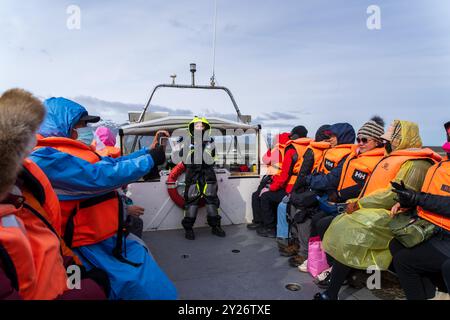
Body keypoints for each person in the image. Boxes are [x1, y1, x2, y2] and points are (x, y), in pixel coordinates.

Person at [30, 97, 177, 300]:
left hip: (105, 239)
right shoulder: (44, 159)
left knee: (150, 286)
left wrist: (147, 152)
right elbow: (98, 176)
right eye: (81, 124)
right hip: (83, 246)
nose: (85, 129)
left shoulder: (67, 153)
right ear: (61, 124)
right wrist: (149, 160)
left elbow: (108, 163)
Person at [0, 88, 107, 300]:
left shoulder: (24, 193)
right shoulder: (46, 162)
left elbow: (57, 250)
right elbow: (100, 176)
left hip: (70, 271)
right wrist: (90, 291)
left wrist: (79, 279)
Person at [317, 120, 441, 300]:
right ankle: (344, 276)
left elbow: (395, 195)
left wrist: (359, 204)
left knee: (349, 234)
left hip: (395, 215)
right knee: (329, 224)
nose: (388, 143)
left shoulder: (417, 163)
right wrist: (355, 202)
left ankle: (332, 292)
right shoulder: (392, 157)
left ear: (402, 139)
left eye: (391, 140)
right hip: (375, 209)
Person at [387, 121, 450, 300]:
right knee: (396, 244)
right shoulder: (440, 166)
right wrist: (407, 202)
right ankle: (429, 294)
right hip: (433, 228)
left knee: (405, 262)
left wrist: (417, 198)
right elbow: (432, 196)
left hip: (446, 236)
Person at [285, 123, 357, 268]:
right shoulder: (330, 151)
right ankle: (300, 245)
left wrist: (311, 181)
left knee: (303, 211)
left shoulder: (347, 156)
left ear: (342, 137)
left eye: (333, 136)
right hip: (319, 191)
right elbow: (317, 174)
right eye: (328, 136)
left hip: (331, 196)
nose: (329, 139)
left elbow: (330, 180)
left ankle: (306, 253)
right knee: (292, 203)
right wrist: (311, 181)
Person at [256, 126, 311, 238]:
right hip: (306, 188)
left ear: (294, 135)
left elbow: (284, 175)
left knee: (265, 196)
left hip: (291, 189)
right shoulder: (310, 148)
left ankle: (270, 228)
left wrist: (270, 188)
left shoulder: (291, 149)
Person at [177, 116, 226, 240]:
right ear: (193, 128)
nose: (199, 128)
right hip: (192, 175)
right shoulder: (187, 141)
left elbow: (214, 158)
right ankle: (188, 229)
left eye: (201, 125)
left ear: (205, 127)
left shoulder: (210, 141)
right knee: (191, 202)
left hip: (208, 174)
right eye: (197, 126)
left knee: (212, 202)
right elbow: (182, 157)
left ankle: (216, 227)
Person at [247, 132, 290, 230]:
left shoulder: (276, 150)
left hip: (276, 182)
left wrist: (271, 149)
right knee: (257, 195)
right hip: (276, 181)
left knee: (259, 195)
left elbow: (265, 159)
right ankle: (261, 222)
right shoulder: (286, 150)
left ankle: (266, 225)